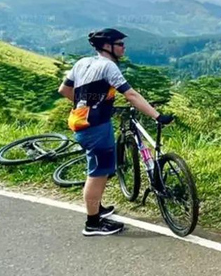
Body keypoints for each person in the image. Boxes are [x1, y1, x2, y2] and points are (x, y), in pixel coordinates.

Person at [57, 28, 173, 236]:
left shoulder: (82, 62)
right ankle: (93, 223)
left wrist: (87, 103)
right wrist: (157, 116)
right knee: (98, 174)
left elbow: (64, 90)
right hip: (96, 129)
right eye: (120, 44)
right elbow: (130, 94)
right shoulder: (108, 67)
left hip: (82, 123)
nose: (124, 47)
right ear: (107, 47)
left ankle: (97, 209)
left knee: (99, 169)